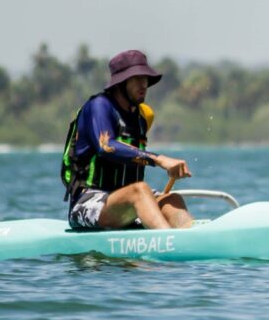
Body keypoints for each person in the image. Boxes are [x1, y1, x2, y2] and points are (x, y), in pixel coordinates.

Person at [61, 49, 193, 230]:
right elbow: (105, 146)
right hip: (88, 202)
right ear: (121, 83)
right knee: (140, 190)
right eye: (137, 79)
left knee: (172, 199)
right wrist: (159, 159)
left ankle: (190, 237)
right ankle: (168, 241)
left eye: (145, 78)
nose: (144, 84)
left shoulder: (140, 118)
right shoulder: (98, 106)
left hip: (131, 202)